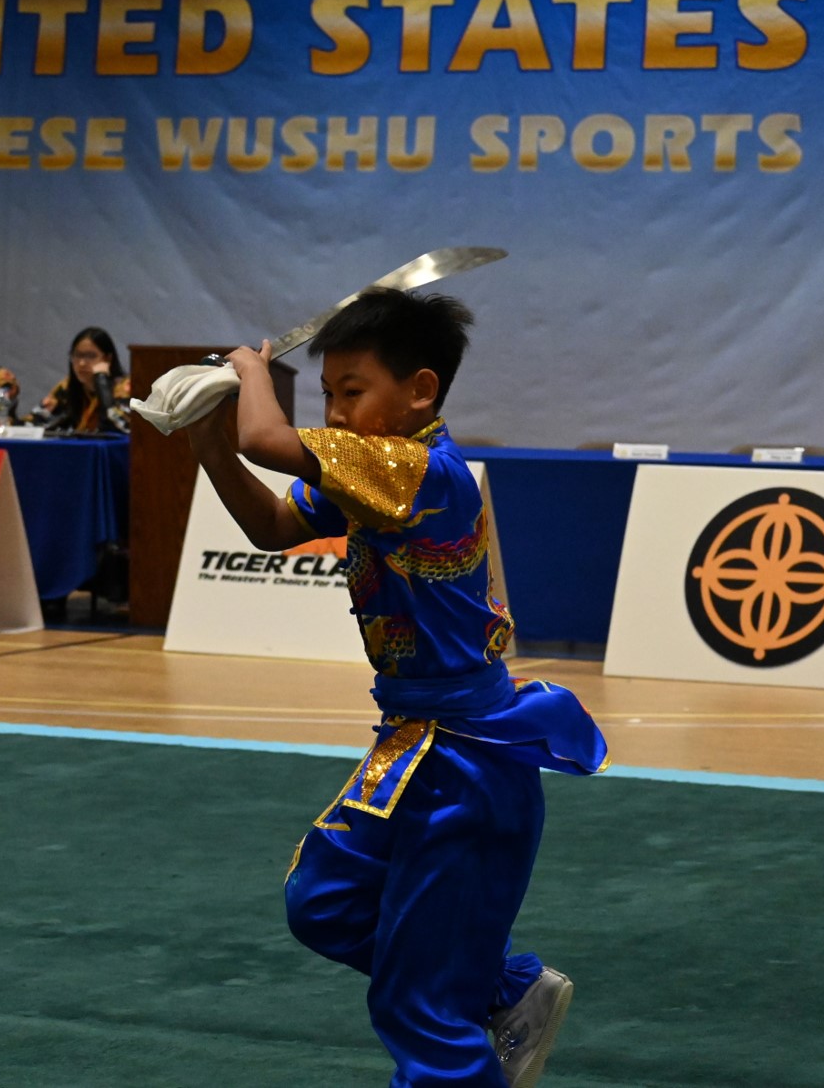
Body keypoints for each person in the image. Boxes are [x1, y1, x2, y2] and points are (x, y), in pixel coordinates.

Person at [180, 287, 608, 1088]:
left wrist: (250, 374)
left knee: (418, 1006)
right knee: (323, 899)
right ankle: (502, 988)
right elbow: (272, 525)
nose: (337, 413)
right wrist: (207, 436)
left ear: (421, 391)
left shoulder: (420, 470)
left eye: (352, 391)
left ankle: (462, 1012)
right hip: (414, 744)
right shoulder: (373, 473)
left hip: (466, 764)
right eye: (328, 393)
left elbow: (266, 438)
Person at [40, 326, 131, 433]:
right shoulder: (67, 387)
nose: (82, 363)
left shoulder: (125, 387)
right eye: (77, 355)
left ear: (107, 358)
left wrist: (102, 382)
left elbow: (122, 426)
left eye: (91, 356)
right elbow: (34, 422)